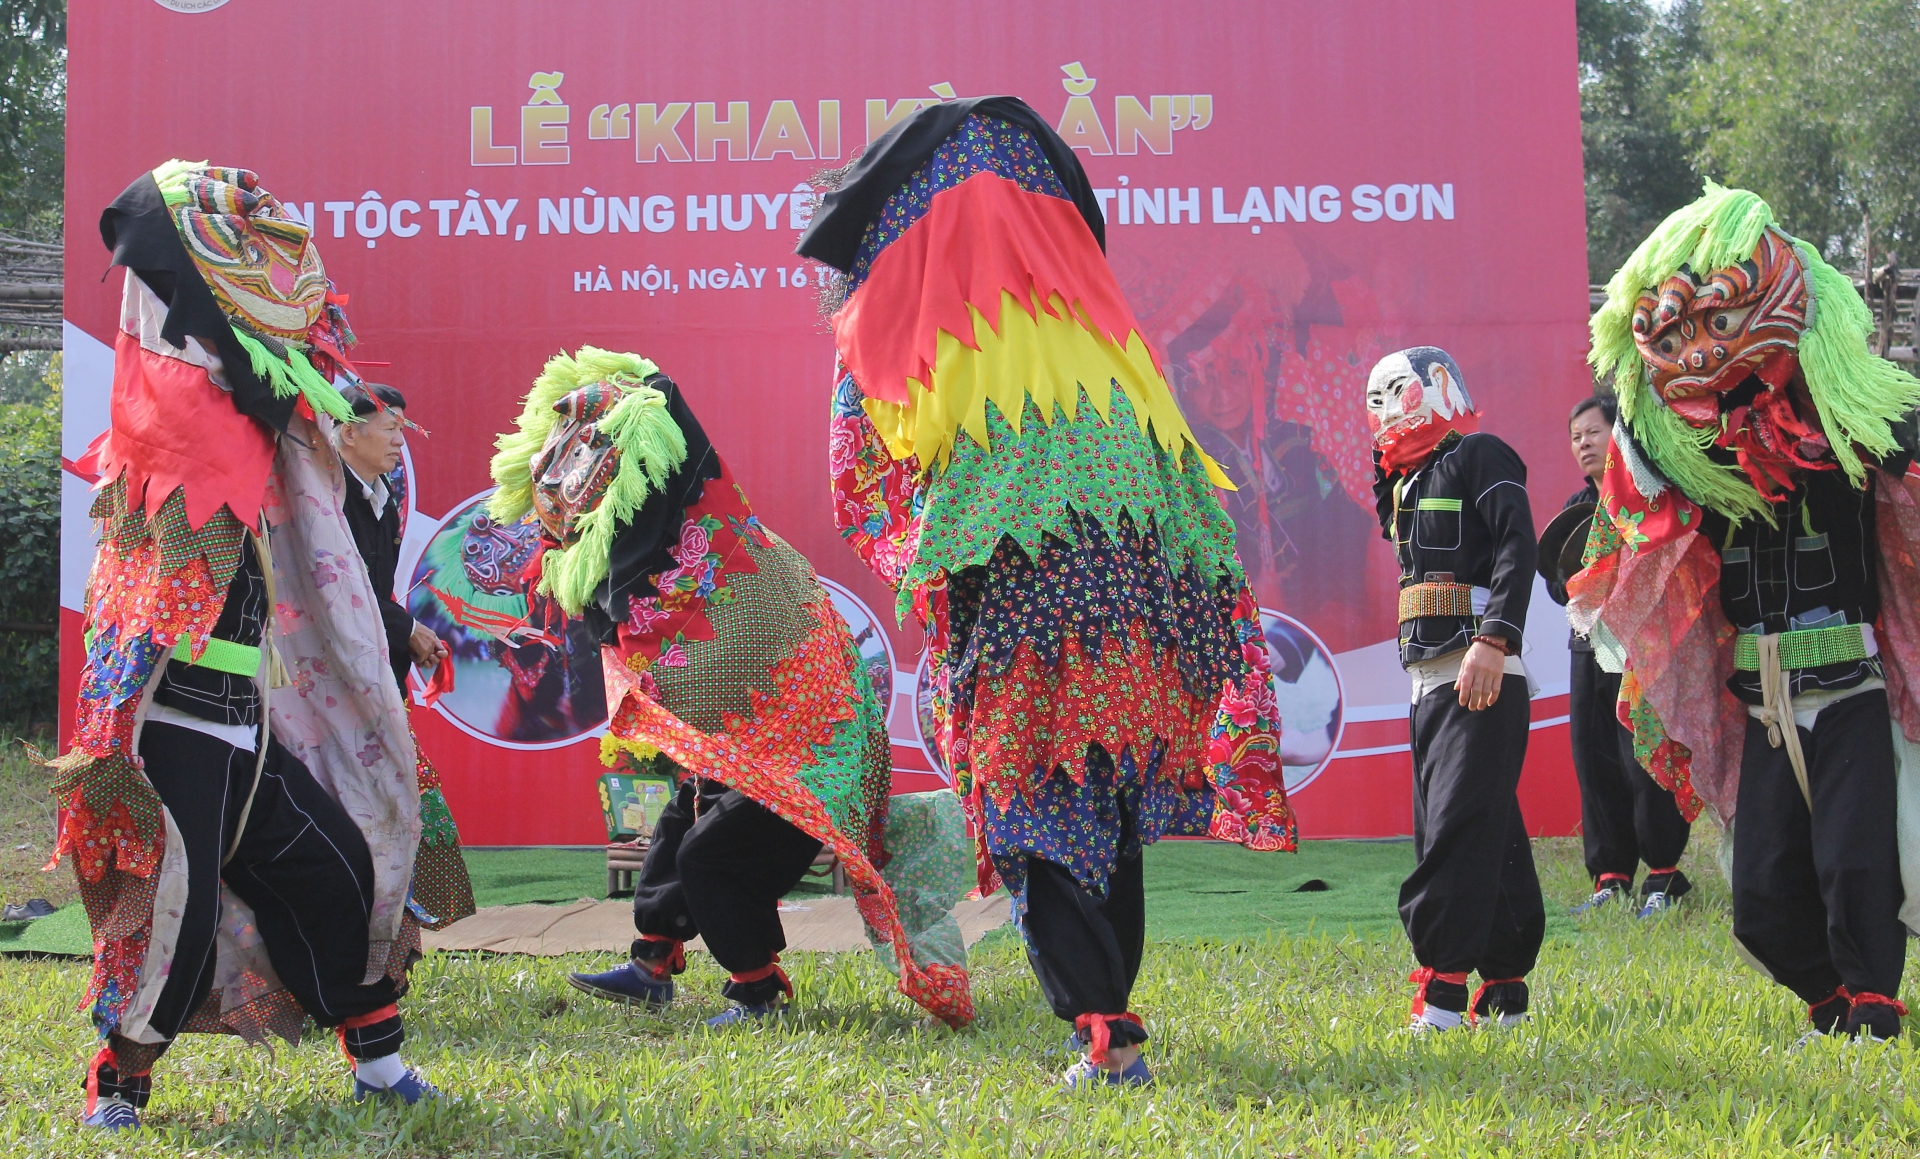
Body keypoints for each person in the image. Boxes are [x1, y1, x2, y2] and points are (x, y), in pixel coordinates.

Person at [797, 97, 1295, 1086]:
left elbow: (861, 490)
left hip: (1029, 616)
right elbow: (1193, 509)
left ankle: (1102, 1033)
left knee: (1028, 809)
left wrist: (933, 578)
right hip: (1154, 620)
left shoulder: (903, 326)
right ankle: (1111, 1019)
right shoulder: (1101, 340)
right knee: (1101, 804)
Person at [58, 161, 442, 1131]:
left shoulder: (266, 425)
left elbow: (289, 387)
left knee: (337, 870)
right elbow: (155, 225)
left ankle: (381, 1061)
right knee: (171, 933)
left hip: (247, 726)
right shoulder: (163, 422)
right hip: (175, 722)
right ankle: (120, 1087)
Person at [488, 347, 976, 1029]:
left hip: (808, 753)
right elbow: (603, 609)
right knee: (682, 819)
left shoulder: (700, 499)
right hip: (749, 734)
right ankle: (652, 961)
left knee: (708, 856)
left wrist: (624, 391)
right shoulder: (616, 559)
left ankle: (758, 989)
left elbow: (664, 395)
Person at [1575, 183, 1920, 1041]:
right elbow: (1637, 438)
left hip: (1847, 691)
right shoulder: (1705, 462)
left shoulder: (1847, 433)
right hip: (1761, 701)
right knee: (1760, 896)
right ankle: (1829, 1002)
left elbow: (1903, 435)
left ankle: (1875, 1008)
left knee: (1855, 864)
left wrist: (1833, 368)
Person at [1366, 346, 1544, 1032]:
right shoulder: (1407, 485)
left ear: (1434, 387)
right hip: (1428, 680)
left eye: (1393, 391)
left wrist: (1494, 639)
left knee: (1456, 829)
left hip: (1479, 669)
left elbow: (1516, 545)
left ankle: (1440, 993)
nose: (1380, 408)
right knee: (1486, 829)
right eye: (1373, 397)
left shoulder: (1481, 454)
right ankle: (1505, 990)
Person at [334, 382, 476, 931]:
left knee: (395, 802)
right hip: (328, 680)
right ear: (350, 431)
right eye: (390, 429)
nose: (400, 442)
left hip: (374, 671)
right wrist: (409, 629)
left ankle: (393, 926)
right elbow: (335, 590)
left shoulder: (384, 495)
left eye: (402, 430)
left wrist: (410, 637)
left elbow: (375, 591)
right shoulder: (325, 496)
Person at [1546, 396, 1694, 917]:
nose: (1583, 443)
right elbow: (1557, 587)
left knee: (1644, 754)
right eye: (1575, 437)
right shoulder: (1572, 510)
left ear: (1617, 436)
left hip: (1641, 646)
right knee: (1594, 756)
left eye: (1592, 432)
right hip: (1589, 649)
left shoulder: (1647, 502)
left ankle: (1664, 875)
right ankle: (1610, 876)